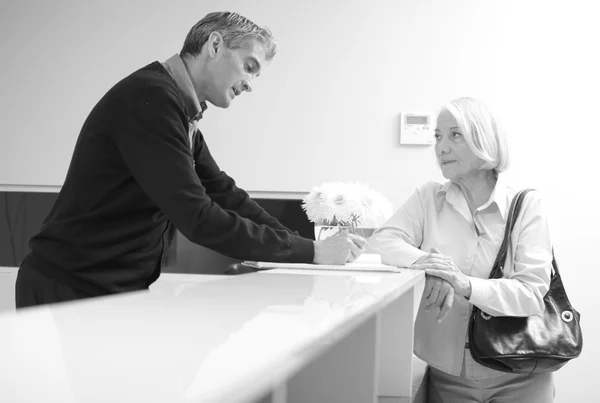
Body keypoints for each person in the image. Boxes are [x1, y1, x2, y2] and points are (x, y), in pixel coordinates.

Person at [15, 11, 366, 308]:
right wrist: (312, 251)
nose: (249, 84)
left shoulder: (181, 111)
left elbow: (224, 193)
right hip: (68, 288)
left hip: (105, 290)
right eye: (249, 66)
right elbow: (198, 217)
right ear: (214, 45)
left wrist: (310, 248)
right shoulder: (151, 101)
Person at [368, 97, 554, 402]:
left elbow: (532, 293)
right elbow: (381, 242)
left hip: (520, 375)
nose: (441, 147)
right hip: (447, 375)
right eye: (438, 137)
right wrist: (431, 266)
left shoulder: (526, 205)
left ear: (484, 139)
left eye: (455, 135)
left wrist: (465, 284)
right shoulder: (428, 198)